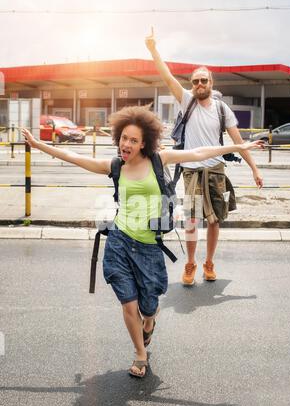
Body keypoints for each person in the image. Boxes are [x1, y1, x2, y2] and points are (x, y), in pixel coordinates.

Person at [22, 107, 264, 378]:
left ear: (144, 143)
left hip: (149, 247)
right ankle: (140, 353)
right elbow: (73, 157)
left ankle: (149, 324)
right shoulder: (114, 166)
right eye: (124, 138)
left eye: (133, 140)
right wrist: (38, 144)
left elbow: (198, 153)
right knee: (128, 303)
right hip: (119, 243)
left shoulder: (160, 160)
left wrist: (240, 145)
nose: (127, 144)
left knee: (149, 306)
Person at [145, 28, 264, 286]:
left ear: (211, 84)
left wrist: (255, 169)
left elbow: (238, 142)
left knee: (214, 220)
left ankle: (209, 263)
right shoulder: (186, 100)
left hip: (216, 171)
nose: (199, 85)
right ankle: (190, 264)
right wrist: (153, 49)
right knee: (191, 219)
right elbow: (166, 77)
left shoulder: (222, 110)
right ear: (192, 84)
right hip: (191, 171)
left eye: (204, 81)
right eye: (195, 81)